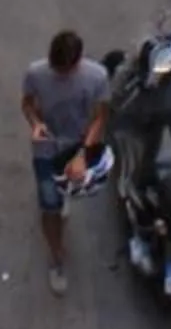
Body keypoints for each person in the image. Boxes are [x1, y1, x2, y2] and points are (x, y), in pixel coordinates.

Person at [20, 28, 112, 295]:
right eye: (55, 68)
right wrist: (35, 123)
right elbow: (26, 104)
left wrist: (83, 154)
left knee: (67, 195)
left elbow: (99, 118)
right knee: (50, 205)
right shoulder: (36, 73)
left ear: (78, 61)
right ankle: (57, 257)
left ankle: (63, 203)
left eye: (65, 71)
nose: (59, 75)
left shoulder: (97, 77)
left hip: (78, 145)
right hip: (47, 148)